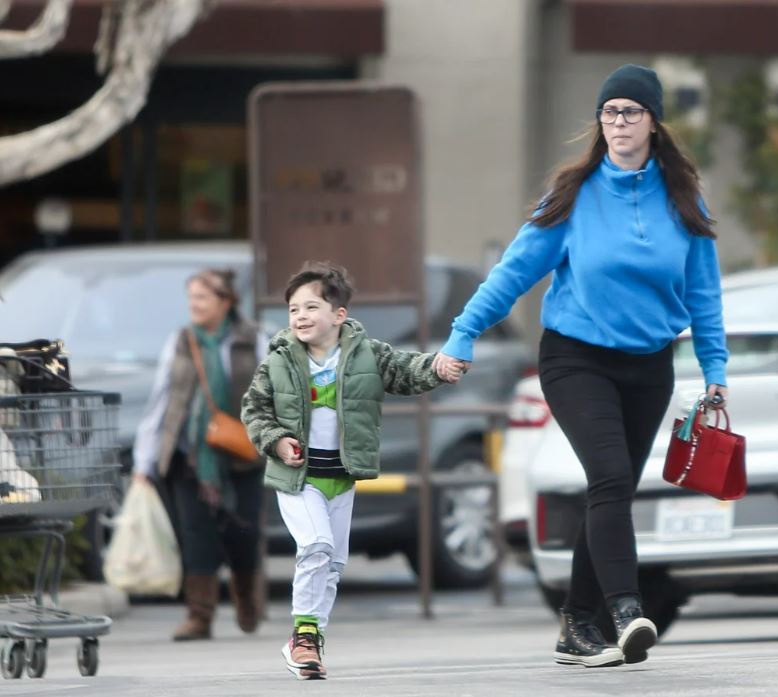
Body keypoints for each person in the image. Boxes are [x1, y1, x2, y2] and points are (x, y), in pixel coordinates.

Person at [433, 64, 729, 668]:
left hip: (650, 364)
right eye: (609, 112)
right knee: (612, 478)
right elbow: (514, 273)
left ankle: (576, 624)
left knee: (610, 489)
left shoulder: (681, 197)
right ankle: (626, 610)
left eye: (631, 112)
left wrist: (715, 366)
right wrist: (461, 335)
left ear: (653, 122)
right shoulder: (573, 194)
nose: (618, 122)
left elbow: (704, 292)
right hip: (576, 359)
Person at [241, 261, 464, 680]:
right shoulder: (279, 361)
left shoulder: (367, 354)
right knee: (316, 546)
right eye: (293, 310)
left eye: (310, 307)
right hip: (297, 479)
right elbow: (254, 410)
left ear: (338, 315)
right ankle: (302, 635)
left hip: (341, 479)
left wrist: (438, 367)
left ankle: (311, 643)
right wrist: (275, 440)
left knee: (333, 564)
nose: (301, 317)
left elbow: (405, 371)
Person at [133, 268, 267, 641]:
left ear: (226, 302)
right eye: (191, 297)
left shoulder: (252, 339)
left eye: (202, 297)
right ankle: (199, 616)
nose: (194, 305)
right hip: (189, 454)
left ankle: (246, 598)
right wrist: (145, 460)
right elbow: (161, 398)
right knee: (196, 535)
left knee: (244, 533)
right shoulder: (180, 341)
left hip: (241, 452)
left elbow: (275, 391)